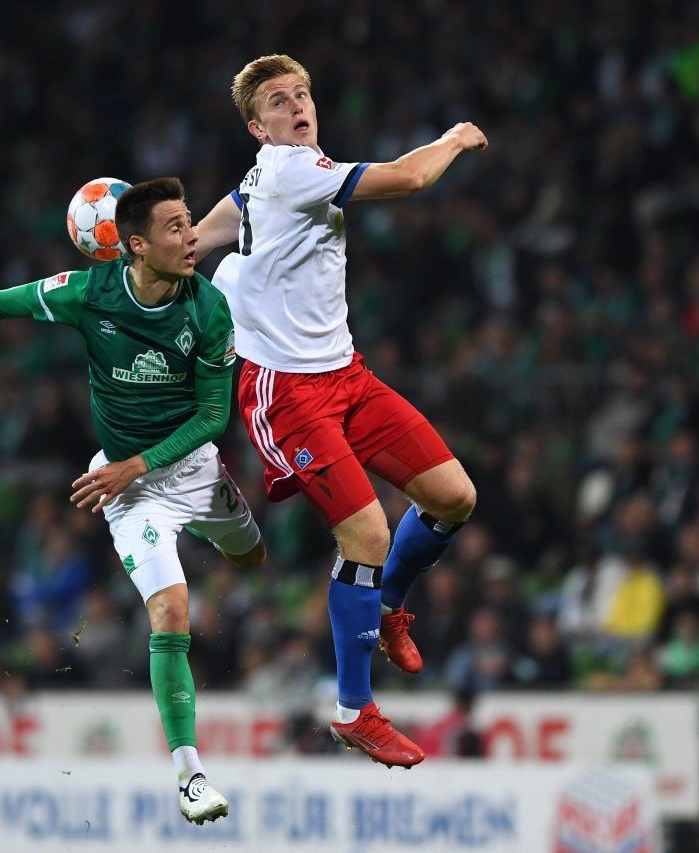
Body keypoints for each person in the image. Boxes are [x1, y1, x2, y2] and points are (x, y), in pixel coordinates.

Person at [0, 176, 266, 825]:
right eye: (175, 227)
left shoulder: (209, 308)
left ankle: (207, 525)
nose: (191, 235)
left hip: (192, 469)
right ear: (133, 244)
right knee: (170, 612)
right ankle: (191, 774)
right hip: (129, 489)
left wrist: (139, 463)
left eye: (190, 222)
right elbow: (3, 301)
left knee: (251, 558)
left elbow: (213, 415)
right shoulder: (91, 293)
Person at [194, 54, 487, 767]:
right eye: (276, 100)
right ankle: (355, 709)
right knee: (366, 532)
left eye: (302, 93)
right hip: (285, 391)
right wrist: (454, 137)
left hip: (345, 375)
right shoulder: (292, 171)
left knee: (454, 497)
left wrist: (171, 248)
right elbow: (413, 177)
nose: (297, 104)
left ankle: (386, 605)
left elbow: (206, 233)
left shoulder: (268, 175)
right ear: (256, 124)